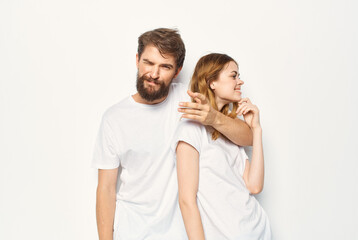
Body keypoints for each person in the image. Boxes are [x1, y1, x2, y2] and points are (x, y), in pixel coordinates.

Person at [92, 29, 253, 240]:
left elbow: (248, 137)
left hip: (181, 232)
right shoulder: (114, 119)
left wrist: (214, 117)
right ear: (137, 60)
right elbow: (105, 189)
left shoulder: (191, 100)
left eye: (165, 66)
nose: (154, 74)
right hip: (132, 231)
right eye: (148, 63)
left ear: (177, 71)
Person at [174, 53, 271, 240]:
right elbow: (187, 201)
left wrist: (256, 129)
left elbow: (254, 185)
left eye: (239, 76)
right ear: (212, 82)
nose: (240, 82)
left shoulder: (231, 131)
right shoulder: (190, 130)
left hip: (259, 231)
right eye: (233, 76)